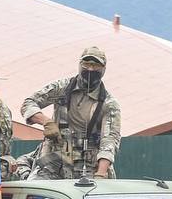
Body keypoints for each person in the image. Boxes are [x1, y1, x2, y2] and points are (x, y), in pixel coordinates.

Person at [21, 46, 121, 180]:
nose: (90, 69)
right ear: (80, 65)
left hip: (88, 164)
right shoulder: (62, 88)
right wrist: (46, 122)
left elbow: (109, 141)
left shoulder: (109, 104)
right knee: (34, 191)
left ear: (103, 69)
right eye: (86, 64)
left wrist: (101, 173)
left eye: (95, 65)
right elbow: (29, 103)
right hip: (54, 159)